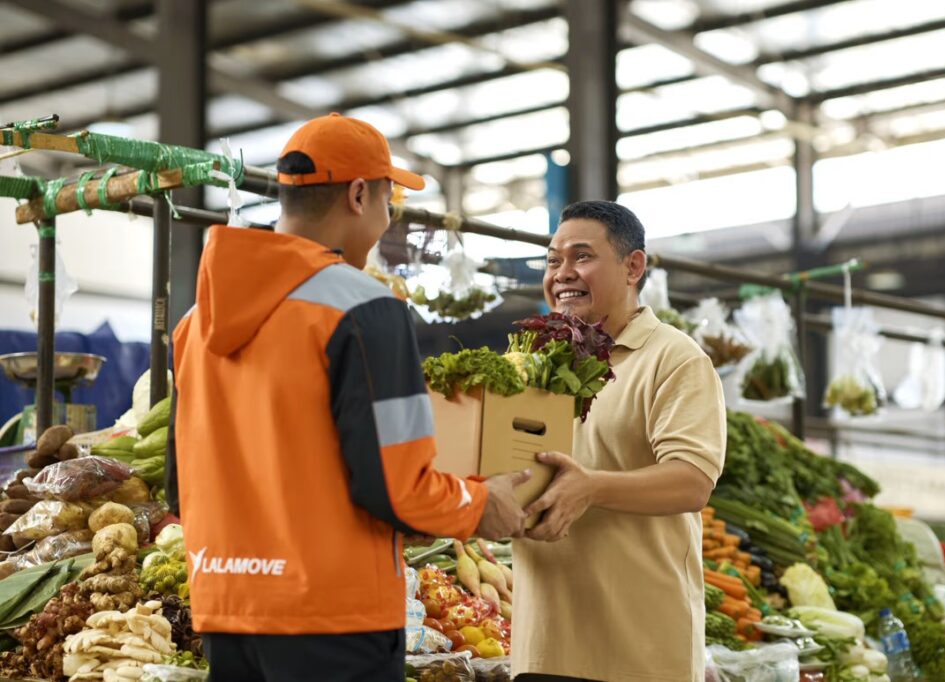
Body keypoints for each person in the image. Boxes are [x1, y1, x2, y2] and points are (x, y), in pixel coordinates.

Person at [166, 113, 530, 682]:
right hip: (333, 622)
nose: (390, 220)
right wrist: (484, 504)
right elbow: (396, 486)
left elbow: (178, 486)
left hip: (227, 616)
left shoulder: (196, 323)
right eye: (390, 202)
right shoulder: (364, 308)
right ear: (359, 195)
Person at [512, 201, 727, 682]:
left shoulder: (674, 359)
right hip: (541, 647)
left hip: (640, 652)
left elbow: (692, 482)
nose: (563, 273)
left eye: (582, 257)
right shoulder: (533, 362)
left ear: (633, 267)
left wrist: (590, 487)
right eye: (552, 261)